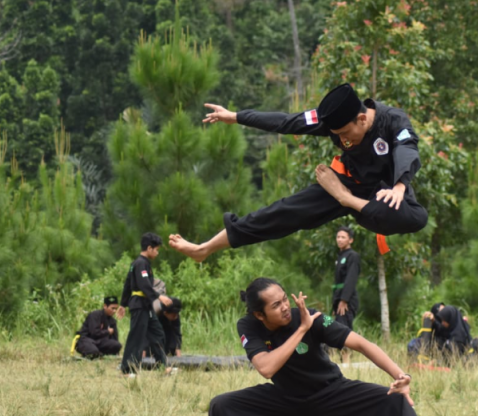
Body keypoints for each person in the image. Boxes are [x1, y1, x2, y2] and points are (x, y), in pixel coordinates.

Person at [200, 278, 461, 416]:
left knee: (396, 400)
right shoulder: (249, 325)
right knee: (222, 406)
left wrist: (400, 375)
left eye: (284, 299)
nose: (285, 308)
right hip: (286, 397)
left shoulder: (312, 317)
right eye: (275, 305)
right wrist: (301, 330)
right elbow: (266, 367)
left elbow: (361, 344)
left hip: (332, 392)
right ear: (259, 314)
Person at [168, 83, 428, 263]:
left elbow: (406, 148)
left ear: (362, 119)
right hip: (346, 180)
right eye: (338, 137)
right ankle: (204, 249)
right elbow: (285, 121)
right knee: (282, 212)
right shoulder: (332, 120)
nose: (343, 141)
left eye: (346, 135)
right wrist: (236, 116)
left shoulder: (393, 120)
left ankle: (347, 200)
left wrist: (399, 186)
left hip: (384, 190)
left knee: (416, 217)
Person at [118, 233, 175, 376]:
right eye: (156, 249)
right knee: (137, 336)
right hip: (139, 305)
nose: (157, 253)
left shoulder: (140, 263)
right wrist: (159, 297)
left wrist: (122, 305)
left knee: (157, 334)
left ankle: (163, 366)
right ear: (149, 248)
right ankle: (127, 369)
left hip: (146, 306)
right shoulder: (140, 263)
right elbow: (143, 285)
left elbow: (127, 285)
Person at [331, 226, 359, 363]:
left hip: (347, 300)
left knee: (344, 329)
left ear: (350, 240)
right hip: (338, 298)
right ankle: (343, 359)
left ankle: (347, 360)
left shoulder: (352, 256)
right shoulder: (340, 256)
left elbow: (351, 279)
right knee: (337, 328)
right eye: (338, 237)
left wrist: (344, 300)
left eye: (343, 237)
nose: (340, 239)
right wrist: (335, 302)